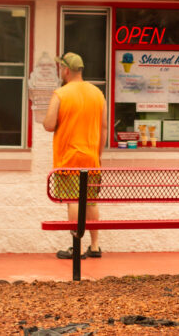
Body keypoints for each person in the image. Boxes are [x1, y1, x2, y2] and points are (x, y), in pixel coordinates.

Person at [43, 52, 107, 259]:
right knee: (91, 202)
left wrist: (47, 119)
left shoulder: (60, 94)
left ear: (66, 70)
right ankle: (95, 246)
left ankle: (76, 247)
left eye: (60, 68)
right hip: (91, 158)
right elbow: (104, 128)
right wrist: (98, 155)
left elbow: (49, 125)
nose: (60, 71)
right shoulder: (98, 94)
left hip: (69, 158)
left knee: (73, 200)